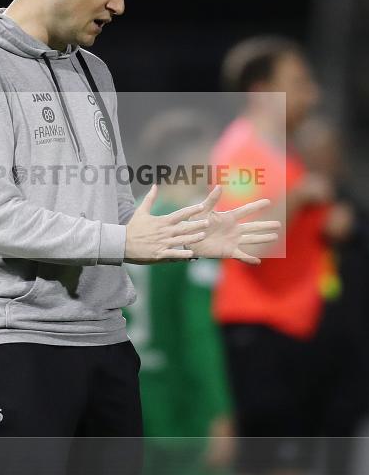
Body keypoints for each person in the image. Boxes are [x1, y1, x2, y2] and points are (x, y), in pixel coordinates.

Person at [0, 0, 279, 475]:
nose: (118, 4)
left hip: (106, 342)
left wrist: (183, 230)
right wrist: (121, 243)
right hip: (18, 339)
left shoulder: (95, 72)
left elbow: (115, 206)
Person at [210, 36, 334, 474]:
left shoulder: (280, 152)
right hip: (259, 332)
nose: (312, 95)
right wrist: (299, 197)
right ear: (262, 93)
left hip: (287, 330)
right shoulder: (241, 155)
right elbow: (247, 241)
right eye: (299, 83)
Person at [124, 110, 236, 475]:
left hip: (124, 394)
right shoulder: (194, 229)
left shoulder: (122, 224)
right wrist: (219, 409)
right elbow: (197, 330)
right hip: (180, 401)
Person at [296, 117, 369, 475]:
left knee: (342, 456)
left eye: (328, 154)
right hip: (297, 362)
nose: (322, 162)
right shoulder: (283, 214)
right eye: (312, 154)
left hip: (350, 364)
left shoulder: (363, 219)